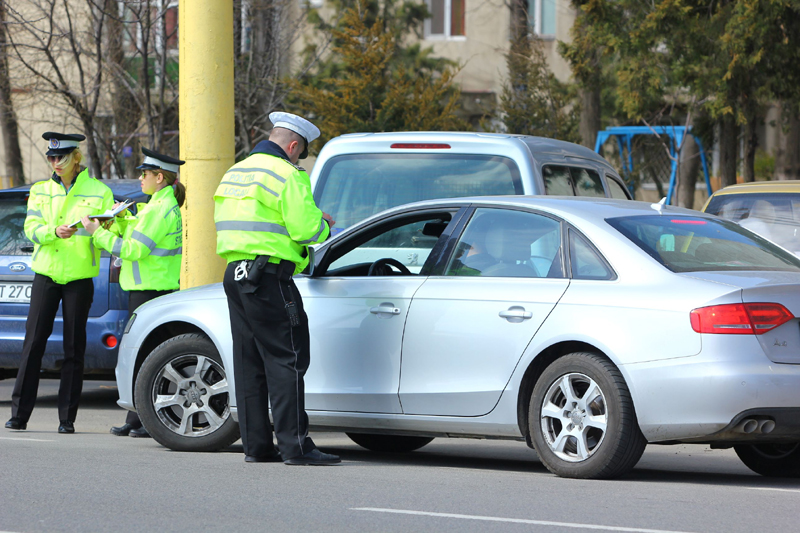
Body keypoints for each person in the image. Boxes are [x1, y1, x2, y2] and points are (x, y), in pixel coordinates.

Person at [214, 112, 339, 465]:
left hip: (235, 275)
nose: (298, 159)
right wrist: (324, 224)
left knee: (249, 361)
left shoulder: (235, 172)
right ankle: (295, 446)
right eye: (300, 153)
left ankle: (257, 447)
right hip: (269, 277)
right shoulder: (288, 174)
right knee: (289, 358)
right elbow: (304, 230)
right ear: (294, 146)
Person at [5, 132, 113, 434]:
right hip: (47, 273)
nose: (54, 163)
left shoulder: (99, 190)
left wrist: (104, 226)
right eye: (50, 158)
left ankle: (67, 419)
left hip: (79, 277)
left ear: (75, 157)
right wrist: (54, 231)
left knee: (73, 349)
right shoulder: (40, 190)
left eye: (60, 157)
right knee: (33, 345)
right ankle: (19, 416)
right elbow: (31, 227)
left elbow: (109, 230)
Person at [81, 148, 185, 439]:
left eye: (145, 174)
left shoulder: (158, 209)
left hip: (148, 292)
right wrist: (122, 219)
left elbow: (133, 250)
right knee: (148, 356)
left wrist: (96, 232)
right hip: (155, 289)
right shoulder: (161, 205)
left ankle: (141, 421)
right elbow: (139, 235)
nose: (140, 178)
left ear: (160, 178)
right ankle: (137, 420)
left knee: (144, 356)